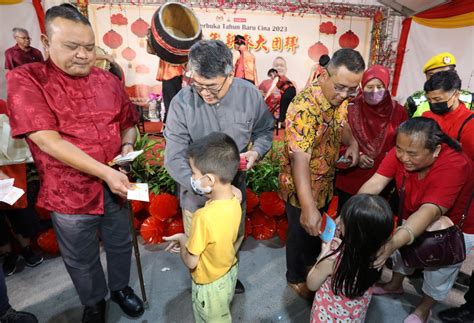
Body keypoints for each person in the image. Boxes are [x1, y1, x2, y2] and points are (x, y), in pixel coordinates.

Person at [6, 5, 144, 322]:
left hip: (116, 184)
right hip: (69, 194)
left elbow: (129, 123)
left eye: (88, 46)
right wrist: (106, 172)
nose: (83, 55)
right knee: (80, 257)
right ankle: (94, 301)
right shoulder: (27, 79)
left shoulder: (107, 81)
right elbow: (46, 139)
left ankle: (120, 287)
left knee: (121, 242)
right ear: (45, 41)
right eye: (72, 46)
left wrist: (126, 146)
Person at [164, 39, 274, 294]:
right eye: (198, 85)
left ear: (230, 74)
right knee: (200, 253)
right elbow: (174, 155)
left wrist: (256, 152)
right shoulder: (182, 103)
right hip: (196, 199)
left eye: (212, 87)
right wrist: (197, 184)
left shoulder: (249, 95)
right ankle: (206, 292)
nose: (204, 93)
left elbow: (265, 130)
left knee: (231, 242)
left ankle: (228, 276)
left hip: (234, 194)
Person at [358, 118, 474, 323]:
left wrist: (392, 242)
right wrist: (351, 212)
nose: (403, 157)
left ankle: (424, 309)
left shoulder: (455, 164)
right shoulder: (405, 149)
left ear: (436, 150)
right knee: (403, 253)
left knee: (438, 271)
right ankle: (394, 285)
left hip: (452, 227)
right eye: (399, 150)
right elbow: (376, 182)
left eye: (412, 154)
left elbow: (430, 211)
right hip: (413, 213)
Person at [279, 48, 364, 299]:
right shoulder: (305, 106)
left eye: (352, 90)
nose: (345, 95)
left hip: (325, 180)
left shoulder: (337, 97)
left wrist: (353, 142)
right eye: (340, 87)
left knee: (314, 232)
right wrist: (307, 207)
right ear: (325, 74)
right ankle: (295, 277)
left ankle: (309, 265)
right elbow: (300, 160)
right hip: (301, 186)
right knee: (299, 231)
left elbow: (341, 123)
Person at [164, 132, 241, 323]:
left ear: (209, 180)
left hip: (209, 284)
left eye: (193, 173)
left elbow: (191, 262)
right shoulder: (235, 199)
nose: (192, 177)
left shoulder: (202, 217)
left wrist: (183, 239)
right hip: (228, 271)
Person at [307, 194, 394, 322]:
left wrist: (323, 254)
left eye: (343, 219)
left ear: (350, 232)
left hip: (327, 317)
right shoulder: (379, 254)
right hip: (354, 315)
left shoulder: (332, 260)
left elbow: (311, 284)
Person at [335, 65, 407, 208]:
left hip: (383, 180)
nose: (374, 91)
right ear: (362, 86)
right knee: (347, 222)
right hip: (351, 179)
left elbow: (403, 144)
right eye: (369, 87)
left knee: (374, 225)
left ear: (387, 86)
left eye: (380, 86)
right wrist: (357, 155)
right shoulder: (349, 108)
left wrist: (388, 158)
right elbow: (335, 140)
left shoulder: (399, 112)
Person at [0, 99, 43, 276]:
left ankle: (26, 249)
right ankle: (8, 253)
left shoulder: (1, 105)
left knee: (15, 206)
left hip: (7, 163)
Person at [422, 70, 474, 160]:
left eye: (437, 99)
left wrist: (451, 144)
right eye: (429, 100)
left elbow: (469, 161)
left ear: (456, 95)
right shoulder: (427, 116)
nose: (433, 103)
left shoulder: (470, 123)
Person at [406, 52, 472, 118]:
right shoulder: (414, 100)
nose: (437, 78)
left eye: (444, 74)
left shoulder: (471, 100)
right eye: (432, 75)